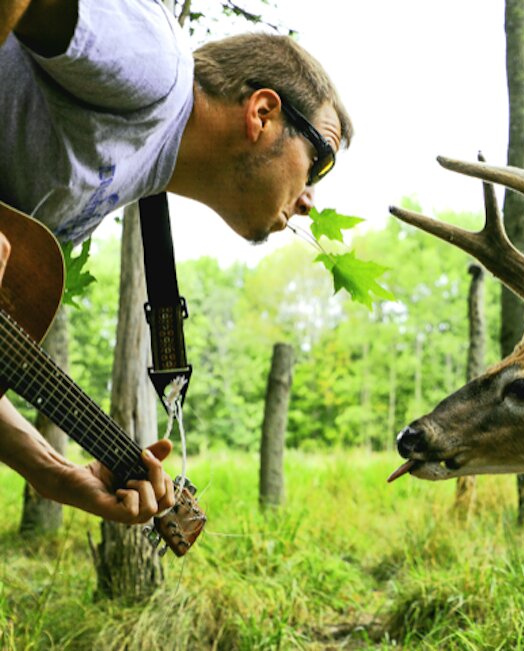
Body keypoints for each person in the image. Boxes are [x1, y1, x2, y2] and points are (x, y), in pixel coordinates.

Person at [0, 0, 354, 525]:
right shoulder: (158, 67)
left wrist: (50, 471)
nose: (310, 200)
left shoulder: (117, 186)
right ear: (262, 112)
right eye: (318, 163)